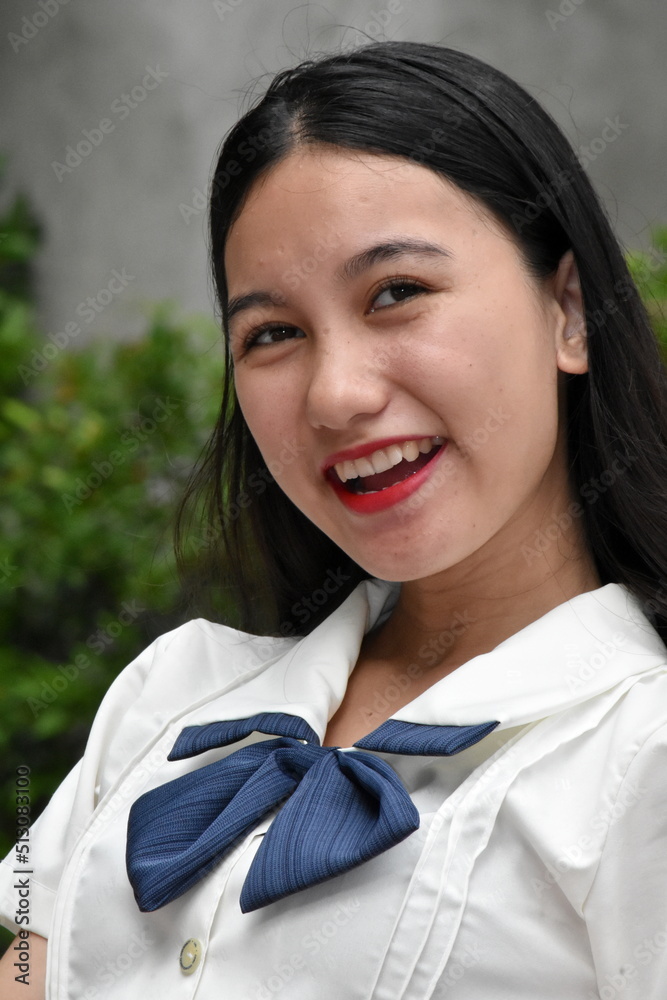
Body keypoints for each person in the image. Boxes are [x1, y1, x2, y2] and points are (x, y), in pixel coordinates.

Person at [1, 38, 667, 999]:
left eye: (396, 293)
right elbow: (28, 963)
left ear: (568, 310)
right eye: (272, 333)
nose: (336, 395)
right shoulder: (171, 691)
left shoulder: (640, 754)